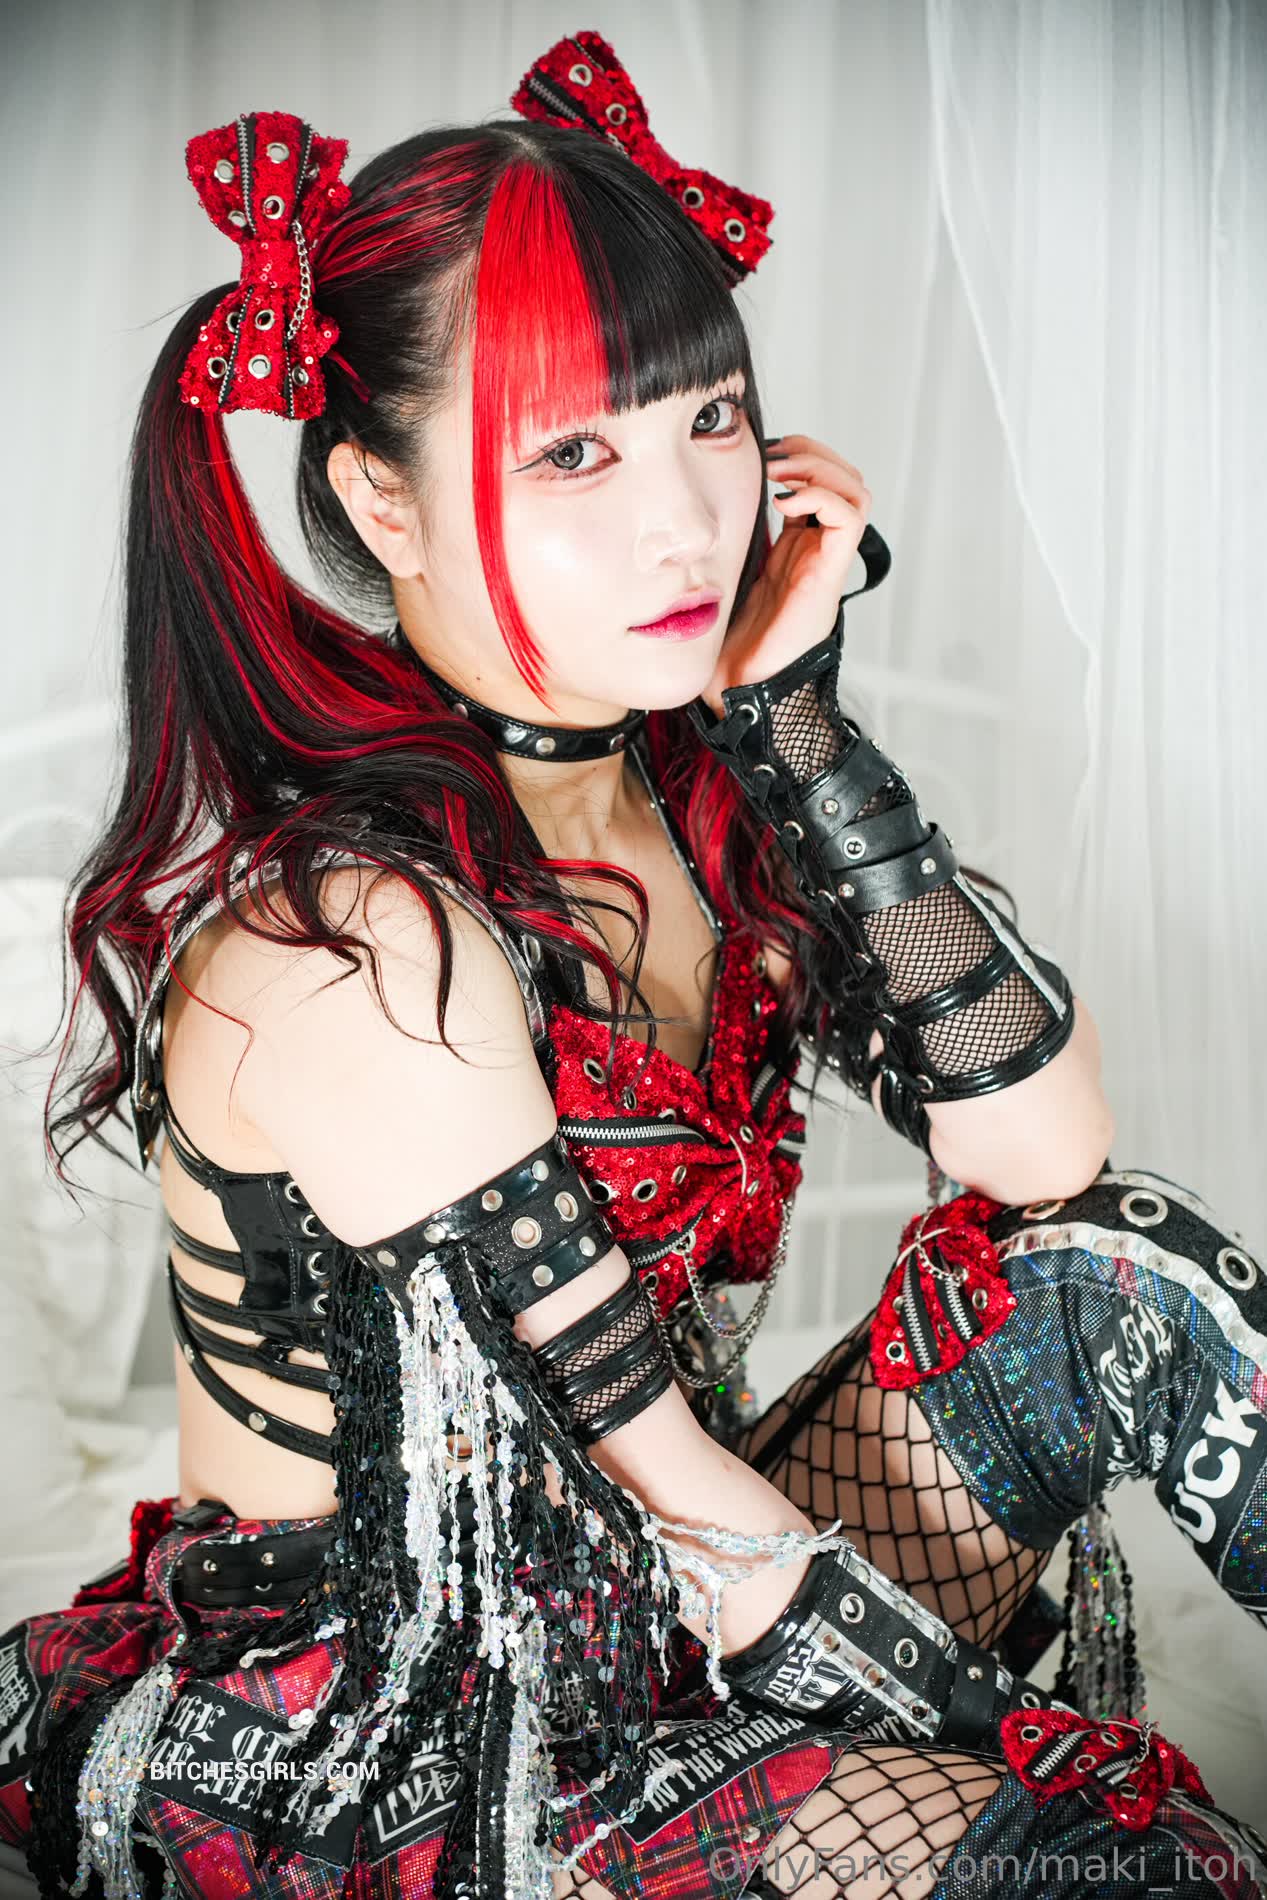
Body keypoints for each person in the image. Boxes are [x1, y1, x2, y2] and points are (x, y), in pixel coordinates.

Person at [0, 30, 1263, 1900]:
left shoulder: (695, 796)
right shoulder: (358, 940)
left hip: (661, 1618)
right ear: (384, 505)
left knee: (1115, 1278)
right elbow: (685, 1505)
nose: (685, 522)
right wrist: (1039, 1765)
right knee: (1116, 1861)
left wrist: (801, 728)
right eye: (575, 451)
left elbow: (1046, 1160)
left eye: (711, 419)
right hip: (390, 1744)